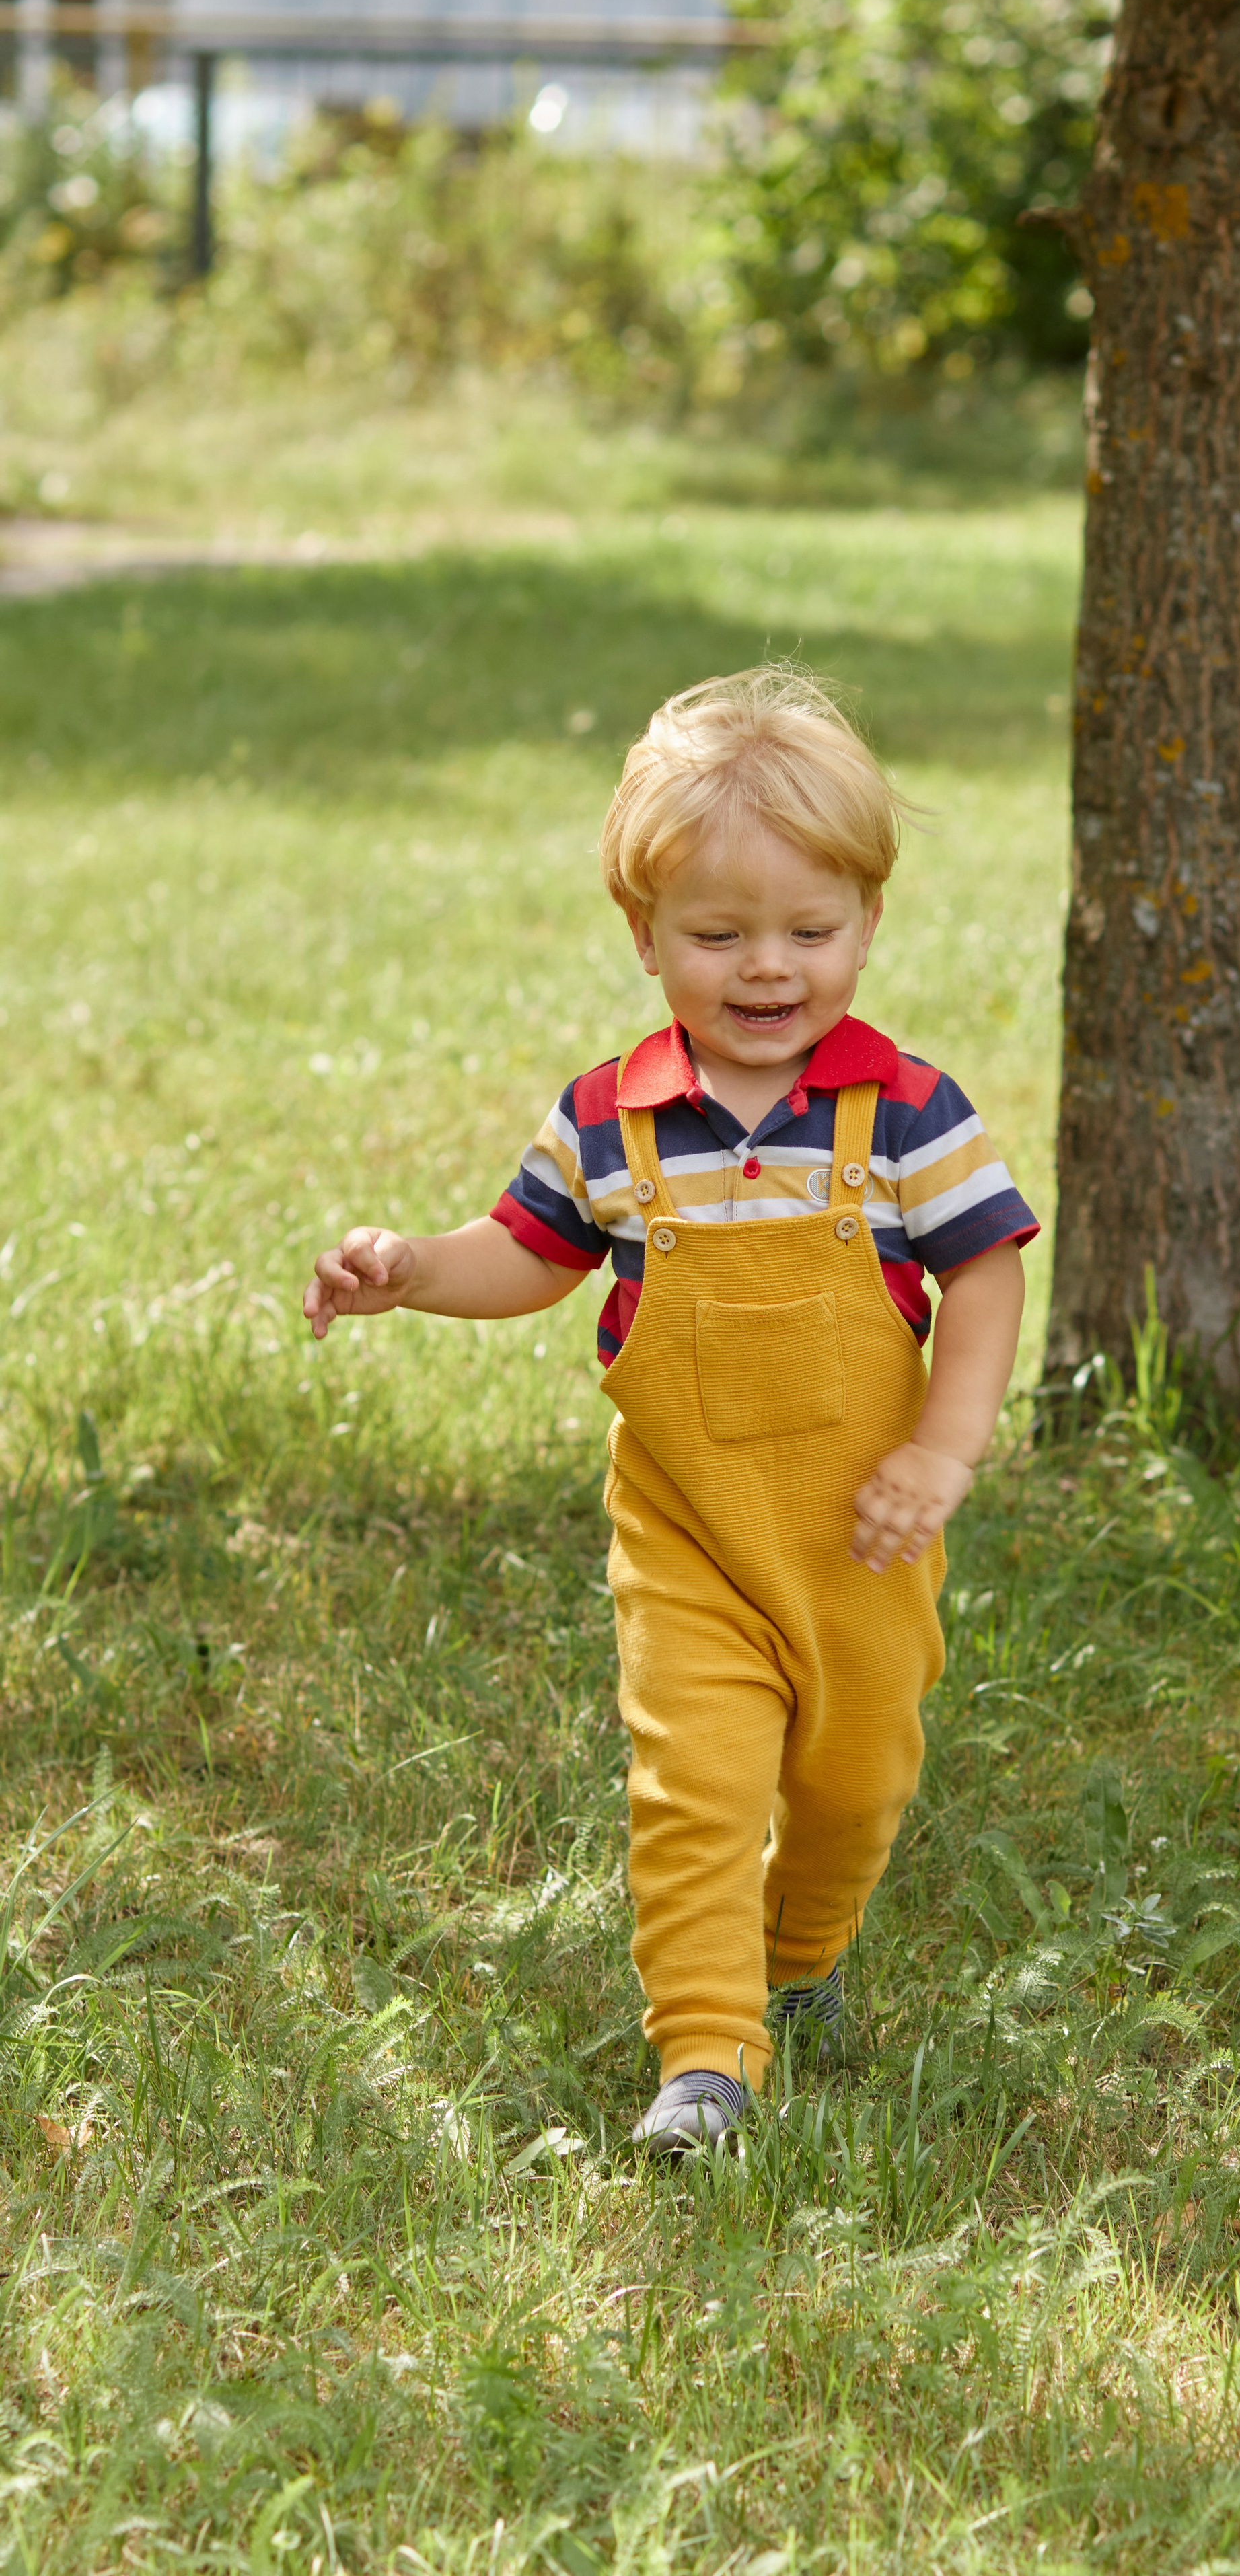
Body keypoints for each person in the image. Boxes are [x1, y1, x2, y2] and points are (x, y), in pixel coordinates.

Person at [303, 668, 1037, 2152]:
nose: (767, 969)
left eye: (808, 933)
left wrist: (942, 1448)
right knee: (693, 1788)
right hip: (689, 1534)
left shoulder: (907, 1111)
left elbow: (984, 1273)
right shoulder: (610, 1119)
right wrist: (414, 1269)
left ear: (868, 922)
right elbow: (528, 1255)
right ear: (644, 935)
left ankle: (801, 1958)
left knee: (855, 1782)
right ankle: (706, 2056)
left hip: (860, 1544)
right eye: (718, 935)